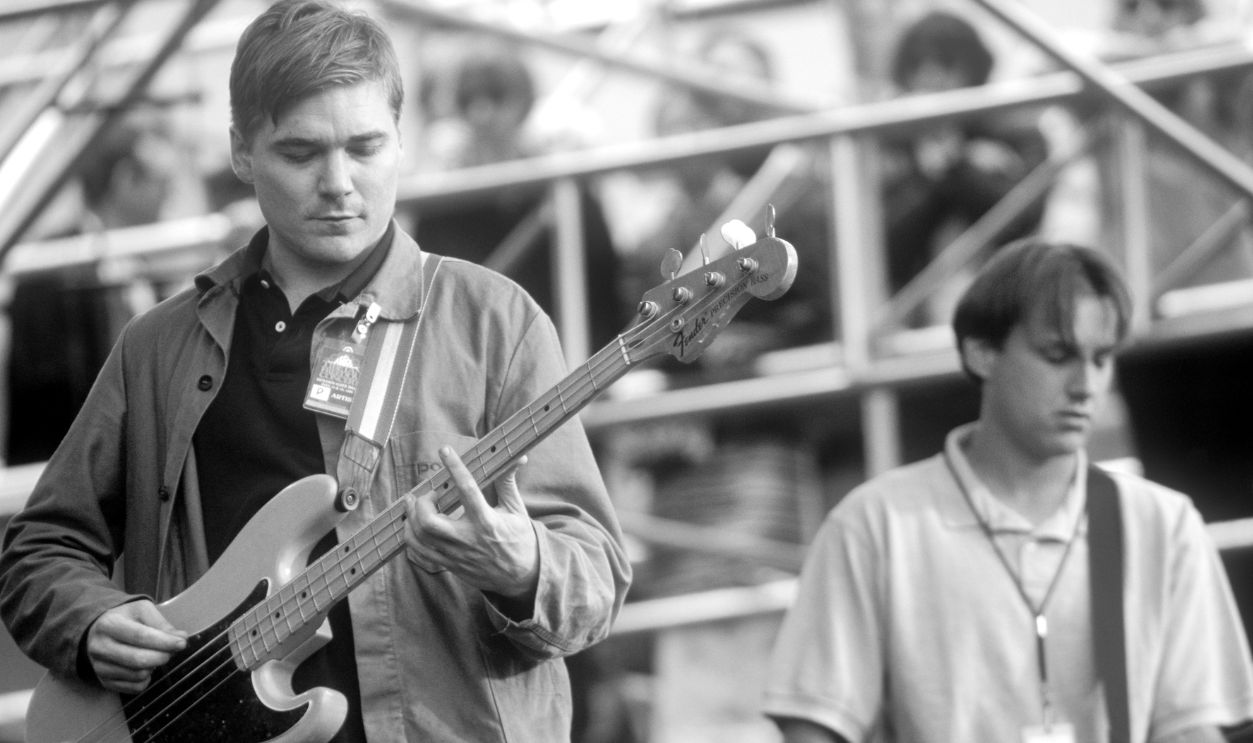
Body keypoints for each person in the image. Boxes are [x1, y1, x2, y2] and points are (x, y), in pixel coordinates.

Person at [0, 2, 631, 742]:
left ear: (403, 140)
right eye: (301, 153)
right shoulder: (157, 347)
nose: (339, 182)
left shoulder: (495, 321)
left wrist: (524, 567)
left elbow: (595, 576)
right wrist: (90, 619)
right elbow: (40, 547)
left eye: (365, 147)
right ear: (242, 151)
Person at [762, 239, 1253, 742]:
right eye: (1058, 355)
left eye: (1102, 359)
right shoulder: (876, 525)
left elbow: (1191, 728)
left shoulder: (1161, 525)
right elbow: (814, 729)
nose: (1087, 385)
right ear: (982, 352)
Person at [410, 42, 624, 351]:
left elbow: (601, 284)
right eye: (469, 99)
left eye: (496, 96)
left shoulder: (563, 187)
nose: (481, 112)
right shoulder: (441, 200)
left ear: (524, 102)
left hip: (564, 353)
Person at [880, 10, 1049, 325]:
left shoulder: (1016, 129)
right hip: (914, 325)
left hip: (1011, 313)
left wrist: (955, 164)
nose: (930, 77)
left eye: (945, 62)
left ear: (974, 68)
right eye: (917, 64)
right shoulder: (888, 148)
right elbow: (886, 250)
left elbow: (1020, 219)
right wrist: (937, 167)